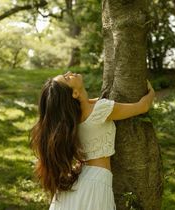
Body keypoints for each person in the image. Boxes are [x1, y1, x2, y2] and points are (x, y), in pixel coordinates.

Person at [30, 71, 155, 210]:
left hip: (80, 180)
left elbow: (91, 101)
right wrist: (150, 90)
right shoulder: (100, 109)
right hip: (96, 182)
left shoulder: (73, 119)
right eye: (67, 78)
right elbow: (142, 106)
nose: (69, 73)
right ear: (75, 94)